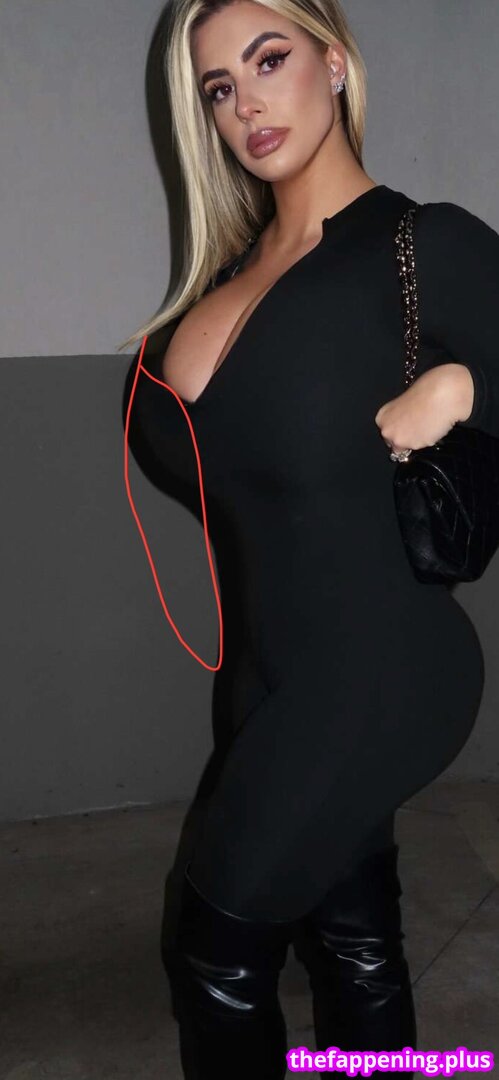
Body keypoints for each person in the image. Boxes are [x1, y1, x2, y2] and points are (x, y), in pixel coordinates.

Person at [121, 0, 499, 1075]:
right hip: (262, 681)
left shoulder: (419, 242)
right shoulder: (226, 275)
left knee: (214, 958)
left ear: (333, 63)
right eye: (217, 88)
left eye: (268, 59)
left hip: (382, 669)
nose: (246, 102)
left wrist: (462, 387)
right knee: (352, 940)